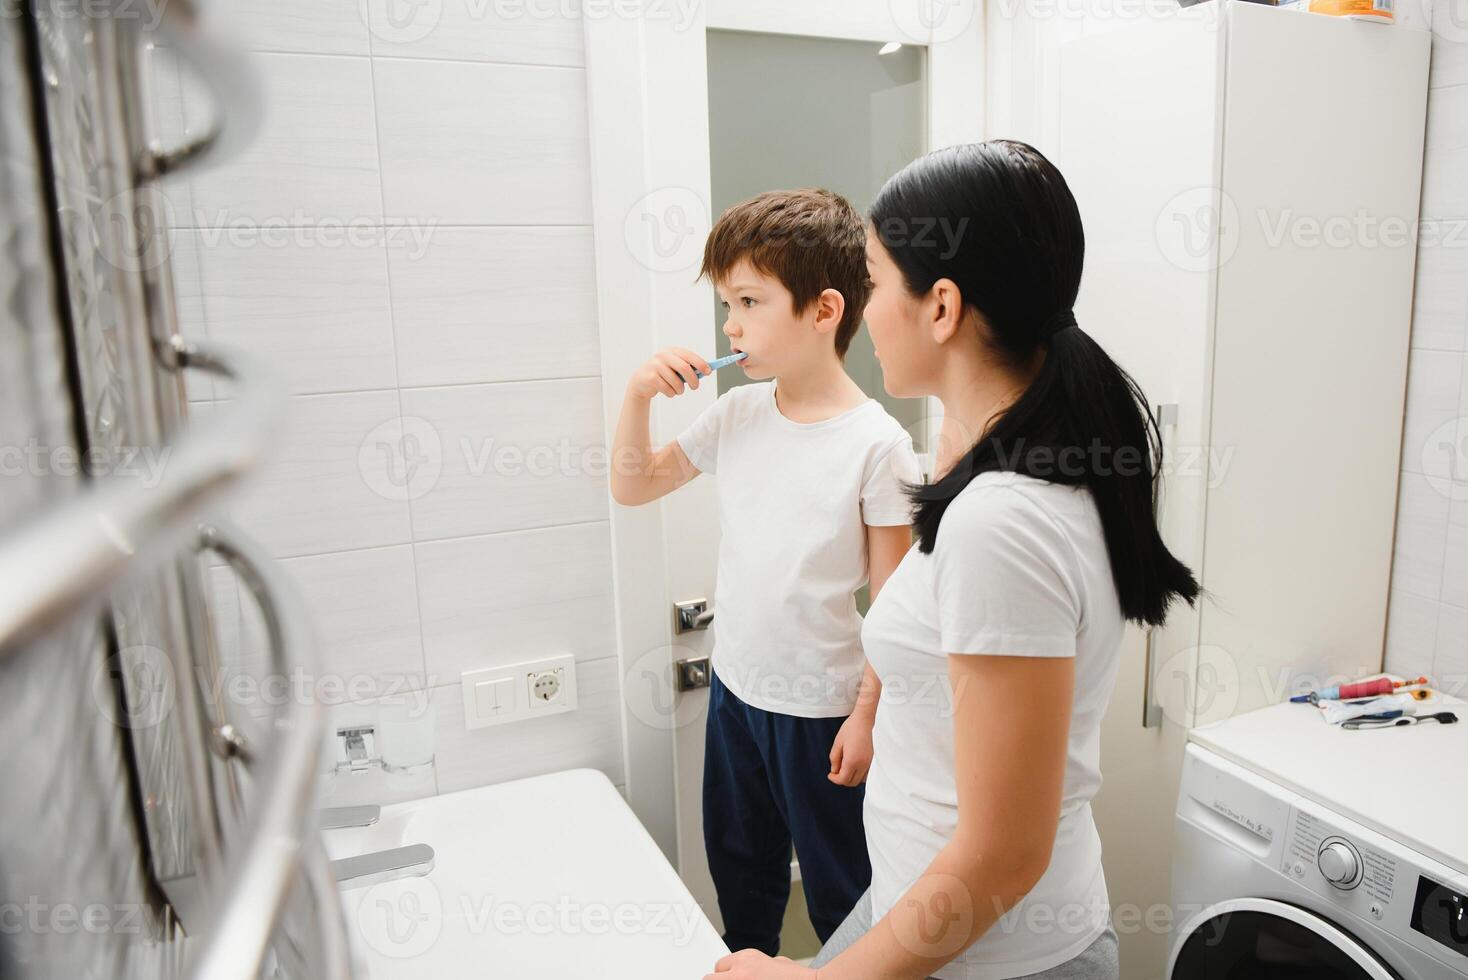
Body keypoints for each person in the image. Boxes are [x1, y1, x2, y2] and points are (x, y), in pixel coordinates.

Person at [705, 142, 1200, 980]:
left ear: (941, 306)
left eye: (873, 276)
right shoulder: (1002, 465)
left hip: (1000, 953)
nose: (860, 306)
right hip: (918, 902)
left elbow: (1004, 856)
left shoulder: (1003, 523)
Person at [610, 188, 922, 955]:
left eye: (748, 301)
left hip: (823, 712)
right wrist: (638, 395)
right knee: (741, 883)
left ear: (824, 311)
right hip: (736, 694)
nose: (730, 325)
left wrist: (869, 714)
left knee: (844, 898)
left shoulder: (877, 445)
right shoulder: (738, 414)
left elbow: (897, 604)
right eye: (727, 303)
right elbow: (633, 484)